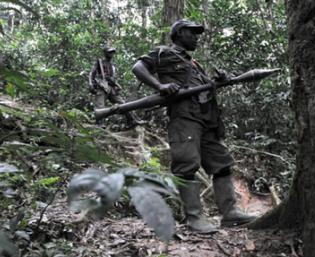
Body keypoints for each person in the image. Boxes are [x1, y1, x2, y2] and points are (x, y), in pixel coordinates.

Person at [132, 20, 256, 233]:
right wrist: (160, 86)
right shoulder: (164, 53)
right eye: (192, 33)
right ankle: (194, 218)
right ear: (180, 33)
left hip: (207, 120)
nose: (197, 37)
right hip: (185, 118)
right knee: (187, 164)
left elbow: (203, 88)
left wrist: (218, 80)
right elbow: (138, 67)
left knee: (221, 164)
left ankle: (230, 213)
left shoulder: (194, 64)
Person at [89, 46, 144, 126]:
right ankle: (100, 125)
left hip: (111, 87)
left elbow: (111, 78)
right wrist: (90, 83)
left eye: (112, 52)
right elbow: (91, 73)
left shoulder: (112, 65)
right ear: (105, 53)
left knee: (123, 104)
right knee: (100, 106)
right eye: (109, 52)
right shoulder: (100, 62)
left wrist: (117, 85)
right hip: (102, 86)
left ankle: (132, 120)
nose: (111, 54)